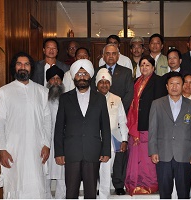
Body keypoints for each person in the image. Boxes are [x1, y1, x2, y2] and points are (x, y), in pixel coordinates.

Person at [0, 52, 51, 198]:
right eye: (19, 64)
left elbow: (47, 121)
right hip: (13, 149)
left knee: (37, 185)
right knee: (15, 185)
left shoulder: (42, 91)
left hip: (36, 148)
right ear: (15, 67)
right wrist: (1, 150)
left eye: (26, 64)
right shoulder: (4, 92)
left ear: (31, 68)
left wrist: (47, 144)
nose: (23, 67)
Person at [54, 59, 111, 199]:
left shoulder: (100, 99)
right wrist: (59, 152)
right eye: (79, 74)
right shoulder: (65, 98)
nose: (82, 77)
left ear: (90, 76)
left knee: (91, 193)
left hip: (93, 151)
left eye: (85, 73)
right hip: (71, 152)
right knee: (71, 192)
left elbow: (105, 127)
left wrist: (106, 150)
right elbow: (59, 127)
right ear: (74, 77)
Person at [148, 72, 191, 199]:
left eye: (178, 83)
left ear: (182, 86)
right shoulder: (157, 104)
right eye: (171, 83)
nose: (174, 87)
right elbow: (153, 129)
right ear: (166, 86)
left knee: (184, 193)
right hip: (163, 154)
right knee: (165, 193)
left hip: (184, 155)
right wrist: (153, 151)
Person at [125, 55, 163, 196]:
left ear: (153, 67)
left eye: (147, 65)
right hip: (136, 125)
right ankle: (134, 183)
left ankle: (149, 185)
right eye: (142, 65)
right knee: (135, 156)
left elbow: (159, 104)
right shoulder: (136, 82)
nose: (144, 67)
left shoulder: (158, 81)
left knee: (147, 158)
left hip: (150, 124)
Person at [95, 68, 129, 198]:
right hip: (94, 138)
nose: (104, 85)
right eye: (101, 82)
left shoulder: (117, 99)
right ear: (97, 84)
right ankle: (96, 190)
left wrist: (124, 140)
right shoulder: (90, 97)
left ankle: (104, 194)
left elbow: (122, 122)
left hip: (112, 138)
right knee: (94, 168)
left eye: (107, 82)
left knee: (107, 168)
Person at [92, 44, 134, 114]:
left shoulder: (126, 72)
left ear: (118, 56)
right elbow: (93, 91)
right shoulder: (96, 71)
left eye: (114, 54)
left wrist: (119, 109)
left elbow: (129, 94)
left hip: (120, 112)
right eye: (108, 54)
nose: (111, 56)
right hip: (100, 111)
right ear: (103, 56)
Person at [45, 65, 66, 199]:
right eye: (53, 79)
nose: (56, 82)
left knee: (63, 176)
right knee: (44, 174)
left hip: (62, 143)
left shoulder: (68, 99)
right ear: (48, 81)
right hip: (45, 142)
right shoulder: (41, 98)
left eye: (58, 79)